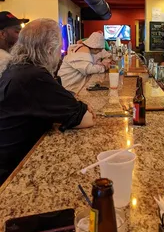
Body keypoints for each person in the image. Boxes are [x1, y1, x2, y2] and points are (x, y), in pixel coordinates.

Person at [0, 18, 94, 184]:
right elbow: (85, 118)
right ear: (50, 49)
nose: (60, 54)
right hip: (15, 173)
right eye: (59, 49)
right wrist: (81, 108)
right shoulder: (34, 76)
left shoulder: (16, 68)